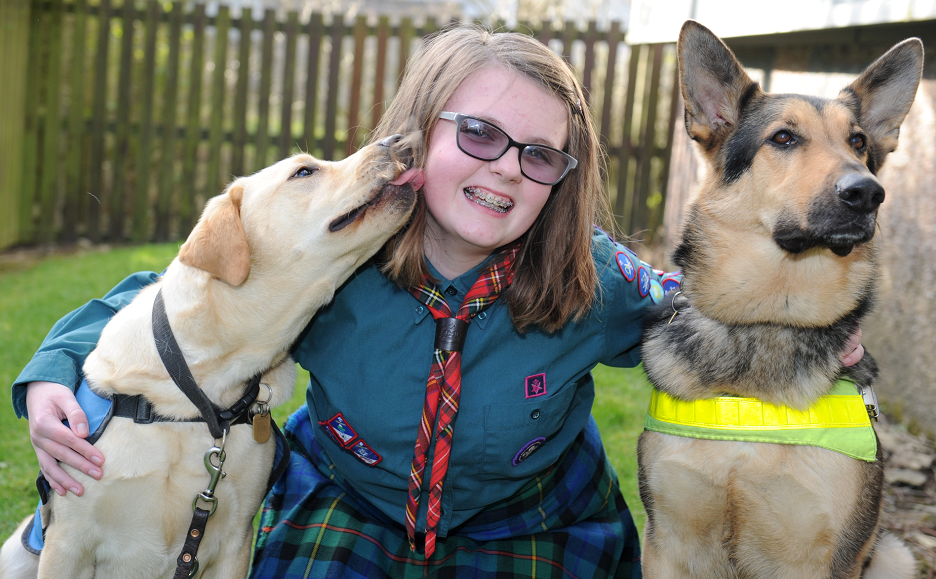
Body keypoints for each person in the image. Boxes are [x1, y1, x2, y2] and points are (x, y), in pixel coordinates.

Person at [12, 25, 864, 579]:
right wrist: (54, 370)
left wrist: (816, 333)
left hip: (529, 517)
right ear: (423, 128)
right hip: (355, 502)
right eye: (480, 135)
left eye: (538, 155)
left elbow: (704, 307)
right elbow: (169, 303)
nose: (503, 167)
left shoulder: (589, 278)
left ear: (563, 181)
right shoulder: (342, 250)